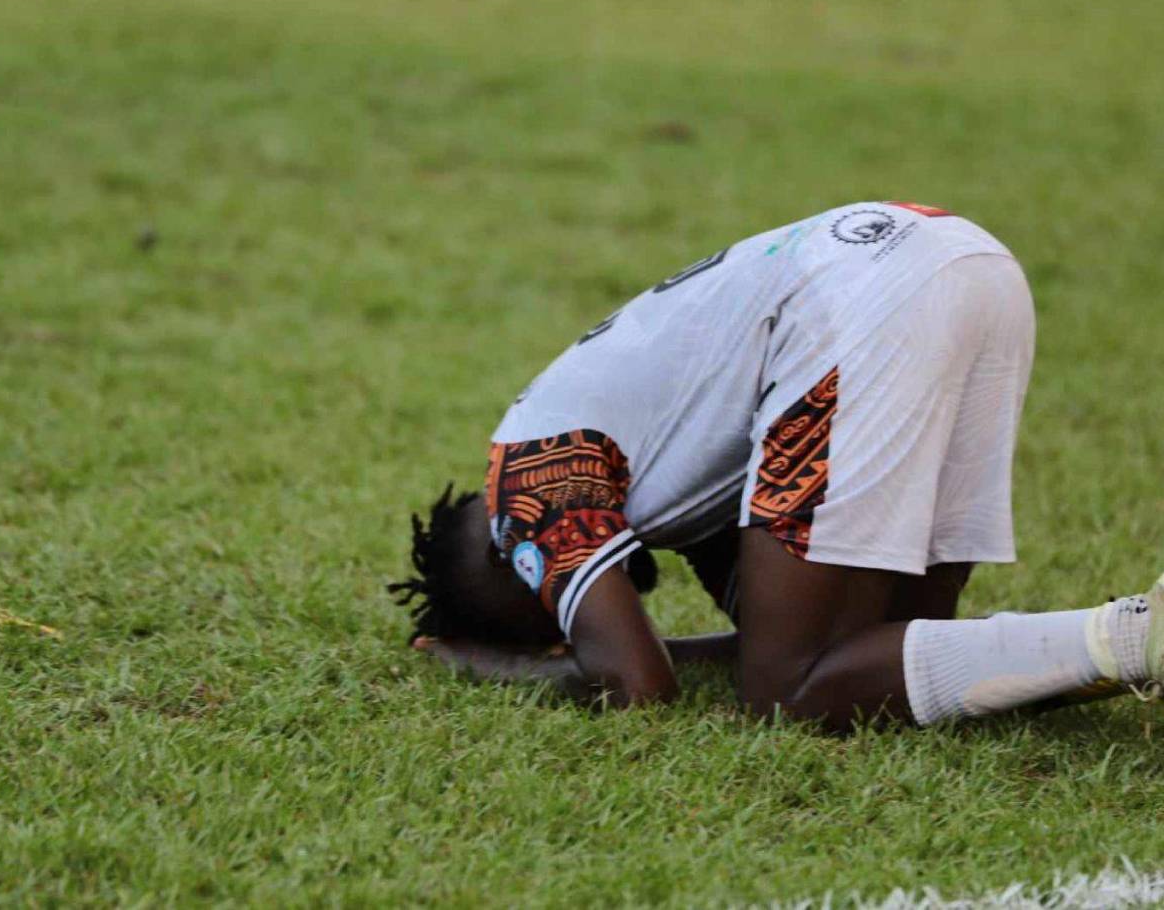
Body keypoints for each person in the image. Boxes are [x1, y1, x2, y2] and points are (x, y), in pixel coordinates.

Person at [388, 201, 1163, 733]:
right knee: (886, 652)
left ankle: (1139, 638)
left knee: (786, 692)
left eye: (562, 625)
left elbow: (636, 686)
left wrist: (491, 663)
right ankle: (1130, 641)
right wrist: (605, 651)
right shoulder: (665, 480)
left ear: (508, 552)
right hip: (965, 262)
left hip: (860, 308)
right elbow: (756, 637)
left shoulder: (523, 481)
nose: (576, 622)